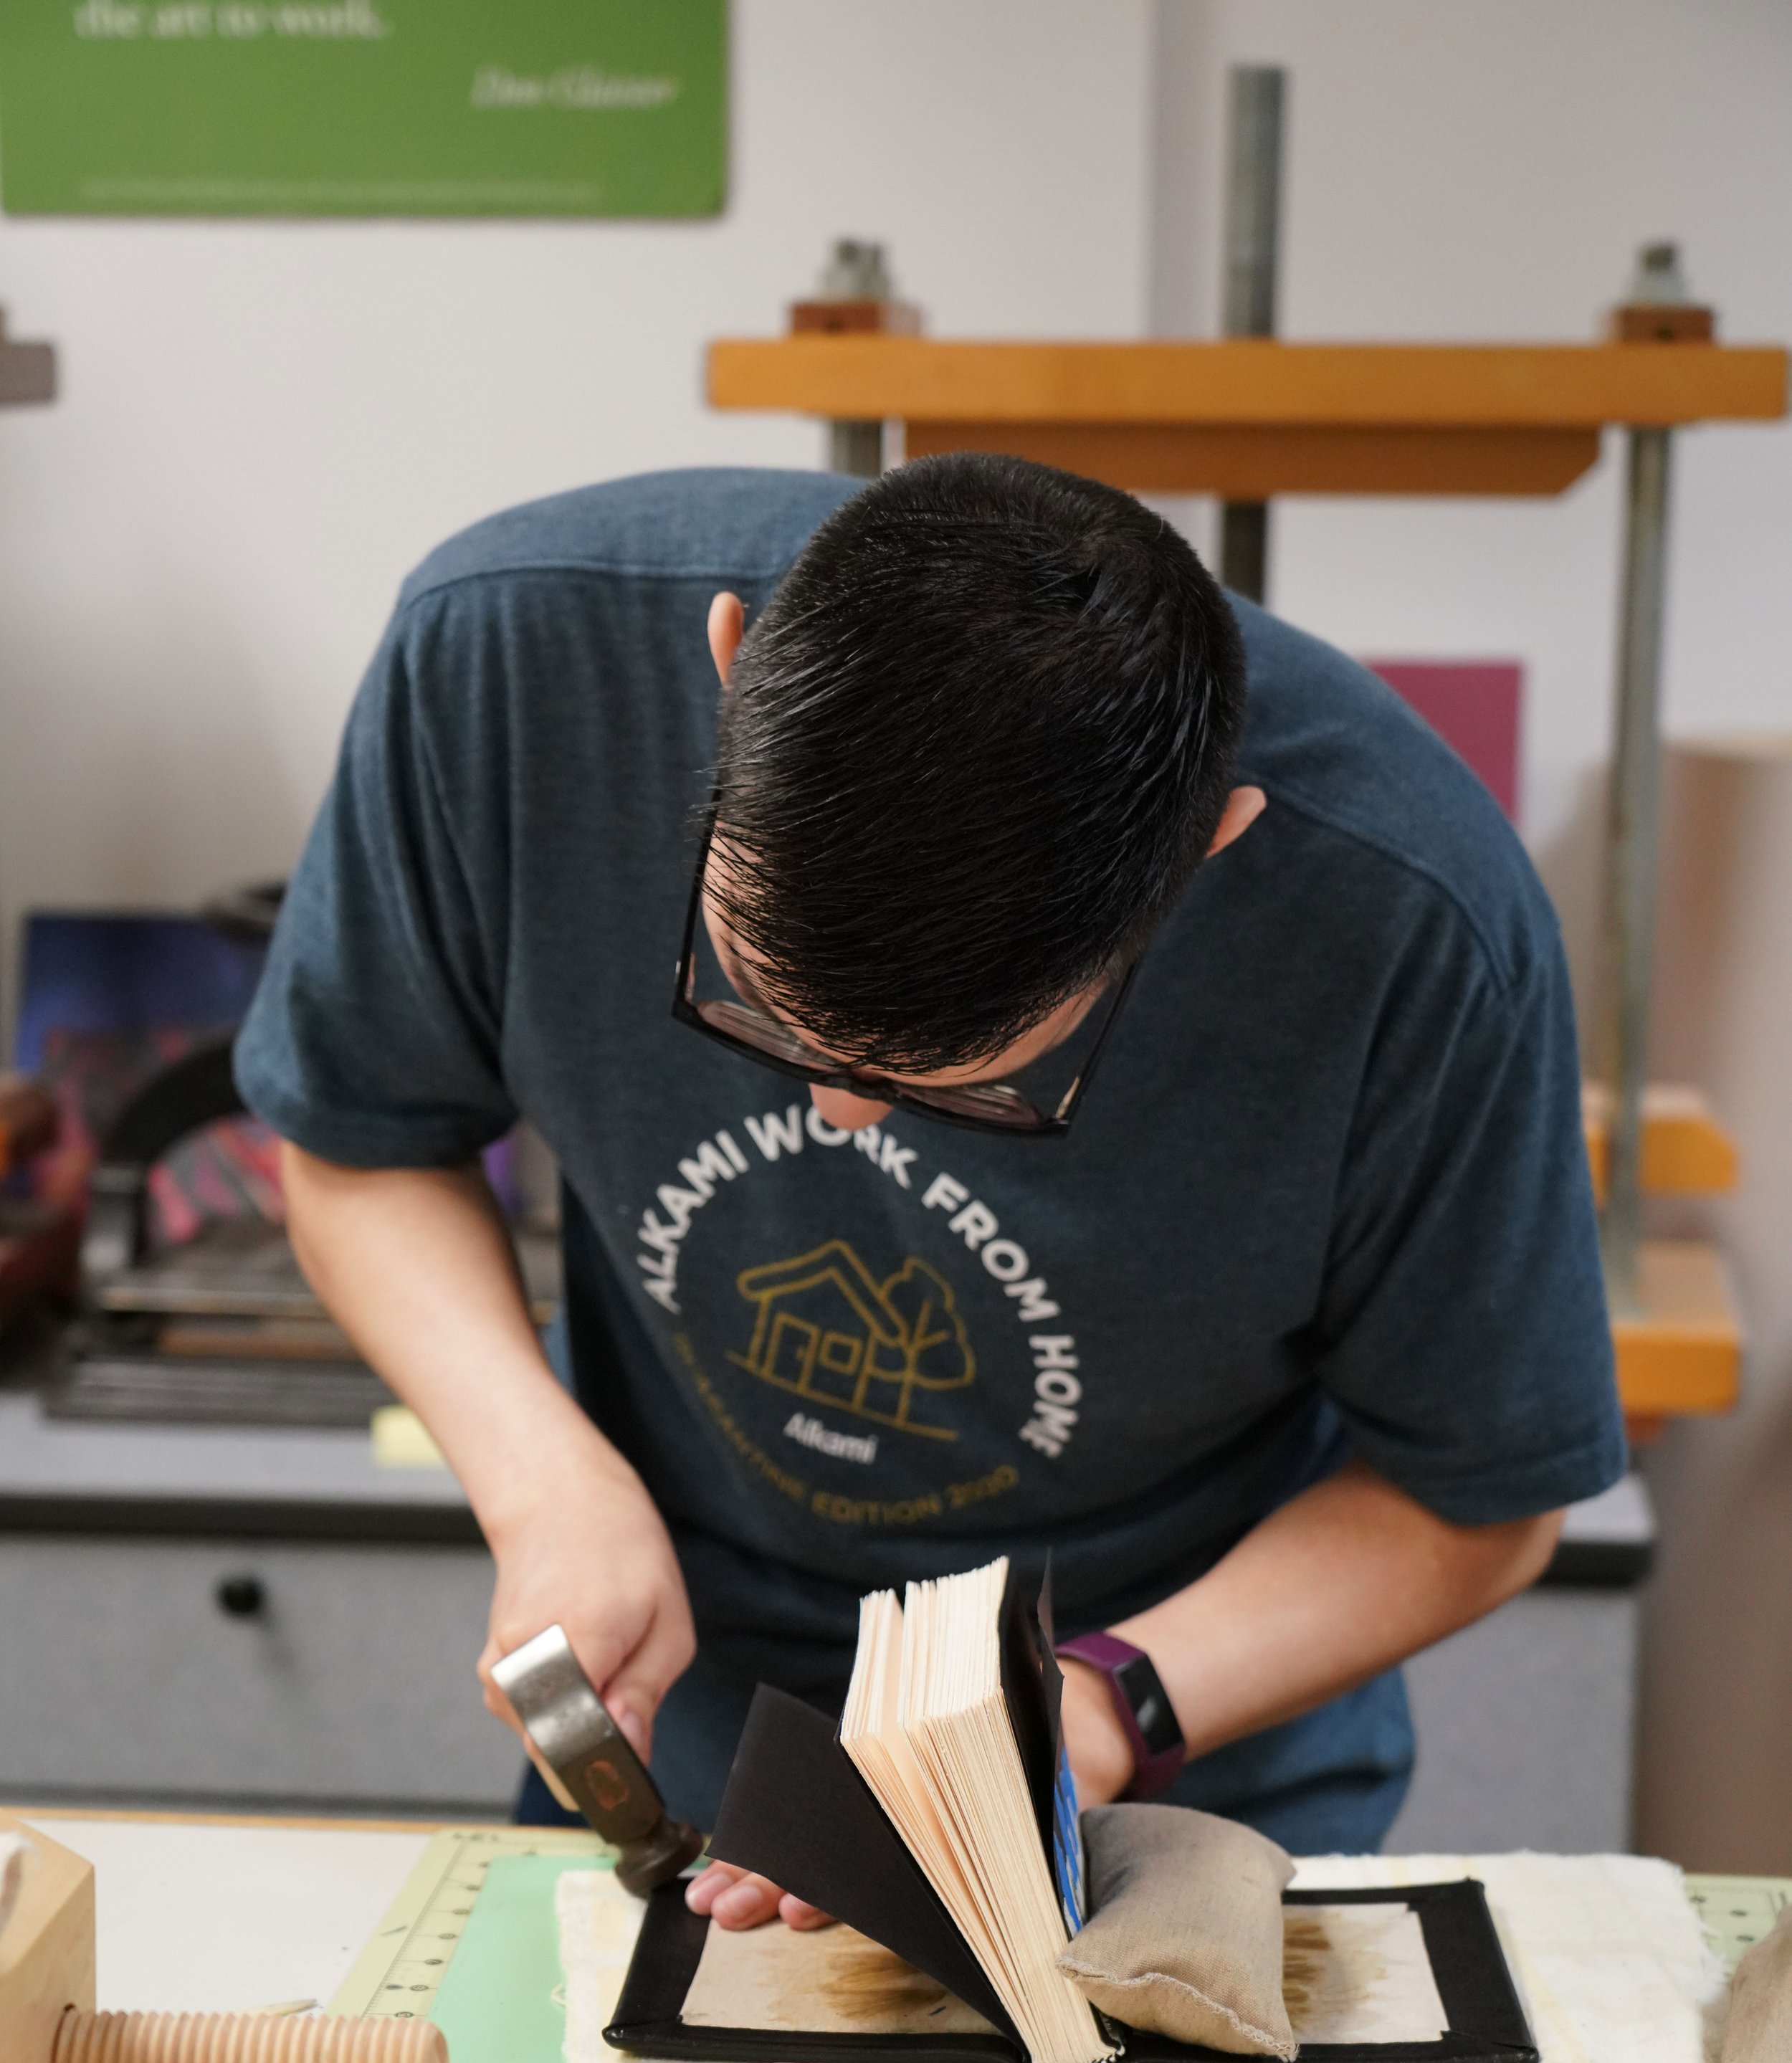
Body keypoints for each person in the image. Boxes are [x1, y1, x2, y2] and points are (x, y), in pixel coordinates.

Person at [235, 454, 1624, 1934]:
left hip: (1158, 1757)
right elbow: (359, 1143)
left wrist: (1095, 1709)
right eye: (753, 1002)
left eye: (959, 1081)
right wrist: (543, 1479)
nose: (834, 1112)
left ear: (1205, 849)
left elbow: (1476, 1497)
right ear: (727, 673)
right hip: (684, 1713)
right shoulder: (506, 662)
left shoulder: (1415, 920)